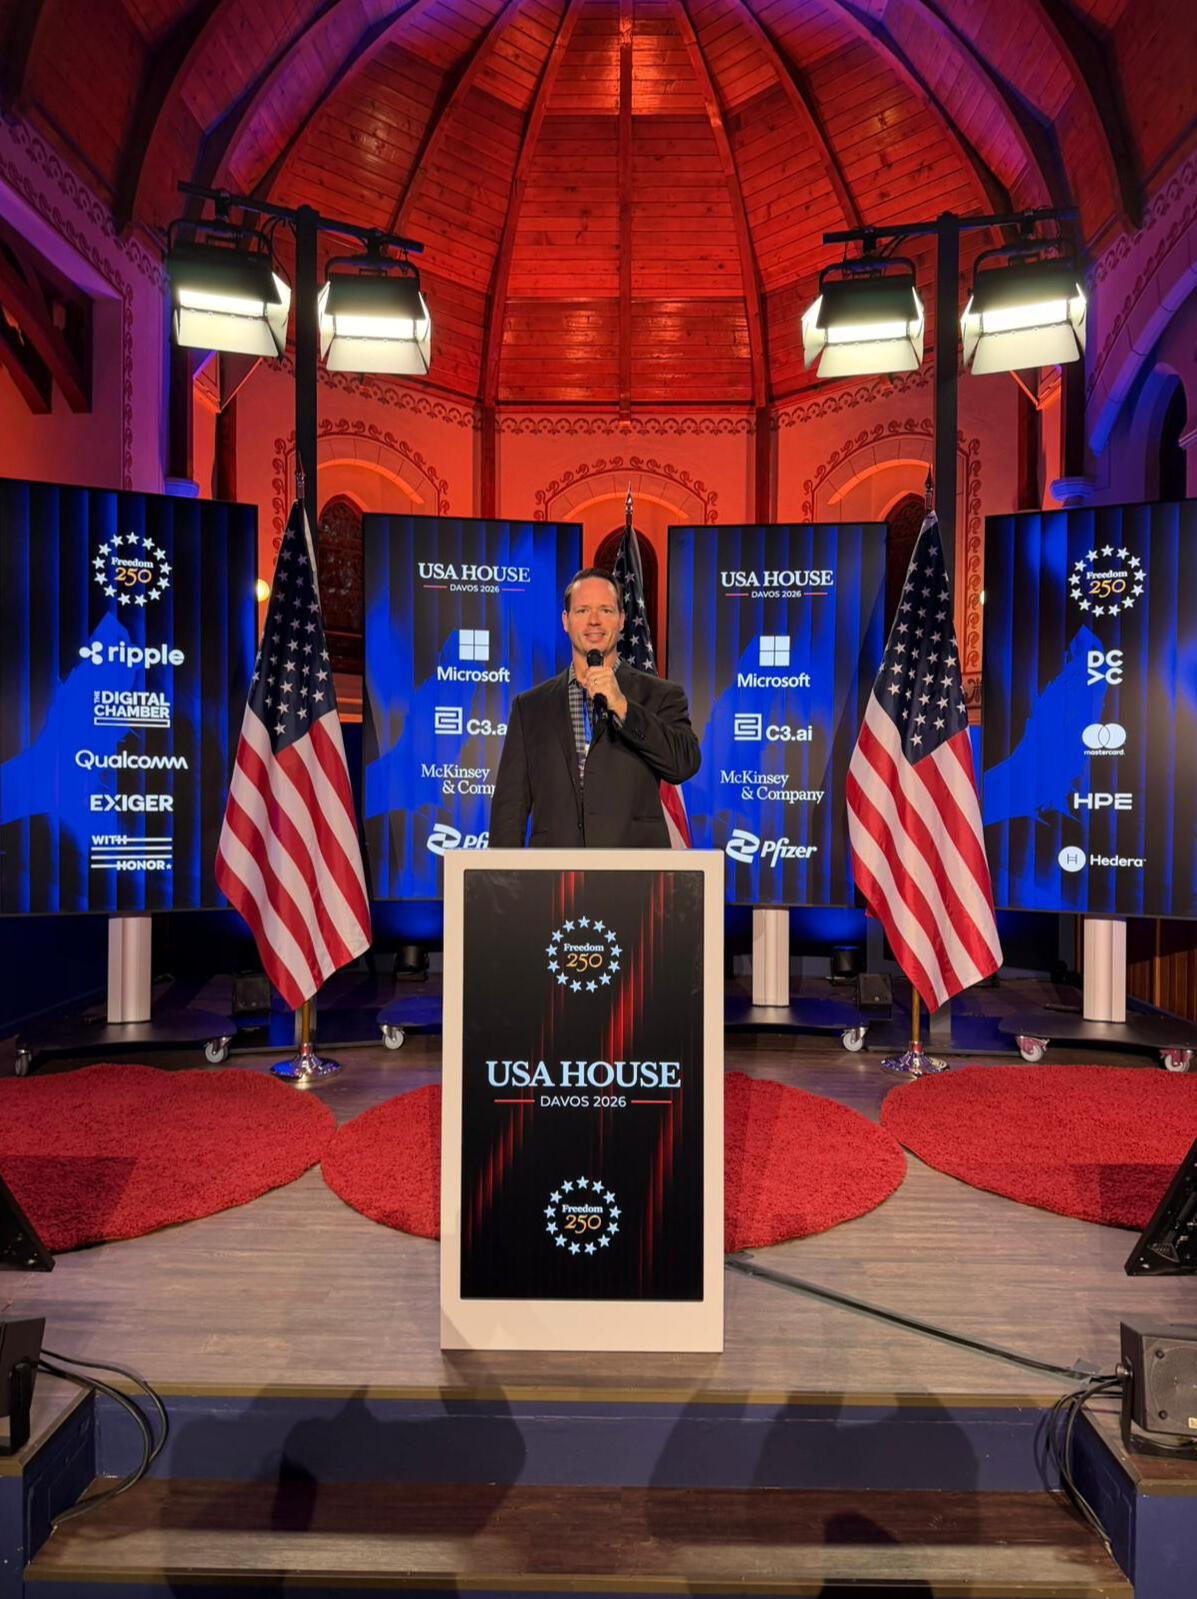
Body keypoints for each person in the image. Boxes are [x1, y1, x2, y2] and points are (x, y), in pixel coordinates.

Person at [489, 567, 700, 848]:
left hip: (633, 870)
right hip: (555, 871)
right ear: (566, 621)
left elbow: (684, 763)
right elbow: (509, 810)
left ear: (622, 620)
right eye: (582, 610)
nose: (594, 621)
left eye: (605, 610)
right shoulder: (529, 708)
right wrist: (502, 873)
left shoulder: (661, 695)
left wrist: (623, 707)